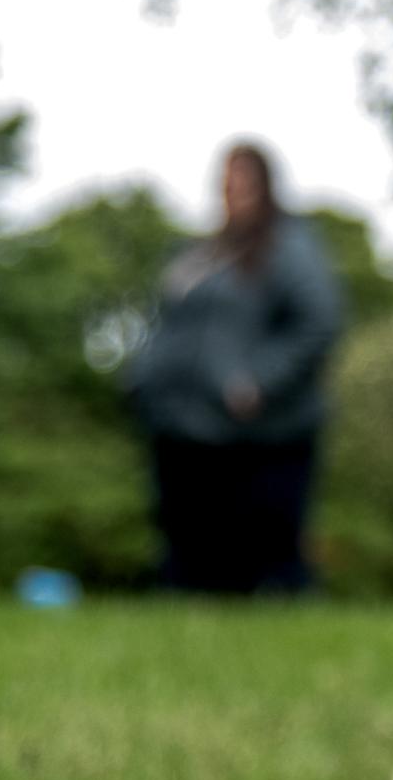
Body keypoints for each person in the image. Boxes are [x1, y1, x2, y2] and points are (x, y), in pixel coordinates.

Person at [125, 141, 344, 592]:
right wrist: (141, 377)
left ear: (266, 186)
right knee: (189, 548)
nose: (232, 192)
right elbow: (164, 321)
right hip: (183, 426)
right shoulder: (200, 254)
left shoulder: (290, 250)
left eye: (243, 182)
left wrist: (258, 382)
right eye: (226, 182)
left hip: (258, 433)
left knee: (262, 554)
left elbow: (319, 323)